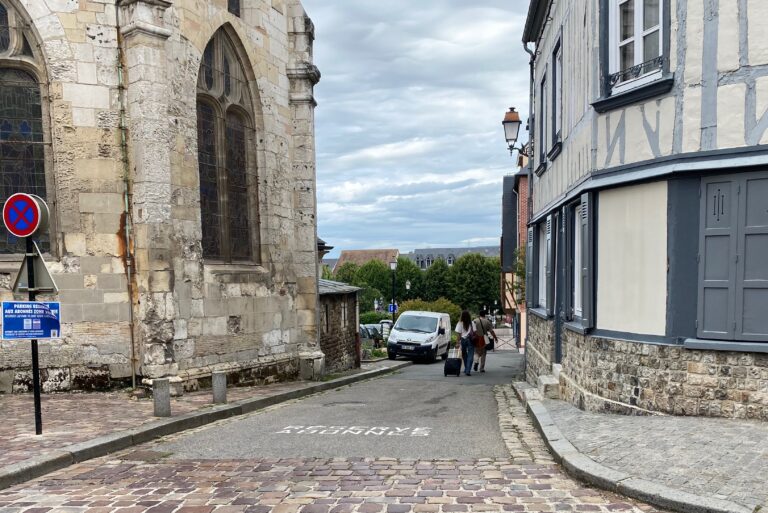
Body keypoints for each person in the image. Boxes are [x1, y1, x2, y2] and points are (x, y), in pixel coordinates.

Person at [455, 310, 475, 376]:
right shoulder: (472, 323)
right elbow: (475, 332)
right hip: (470, 340)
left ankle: (466, 368)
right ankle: (468, 370)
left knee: (464, 354)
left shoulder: (460, 323)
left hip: (463, 340)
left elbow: (459, 334)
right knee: (470, 354)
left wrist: (457, 343)